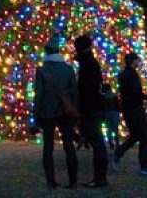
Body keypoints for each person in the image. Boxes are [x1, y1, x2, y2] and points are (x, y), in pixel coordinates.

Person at [32, 33, 78, 189]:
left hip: (47, 111)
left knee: (48, 147)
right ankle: (73, 179)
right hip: (66, 111)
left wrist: (36, 115)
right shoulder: (68, 69)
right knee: (69, 146)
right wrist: (75, 111)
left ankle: (51, 180)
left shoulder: (42, 70)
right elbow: (74, 92)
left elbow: (39, 94)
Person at [112, 53, 147, 175]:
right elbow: (135, 92)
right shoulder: (132, 75)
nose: (138, 62)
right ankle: (145, 166)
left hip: (128, 109)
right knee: (143, 137)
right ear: (133, 61)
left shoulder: (123, 74)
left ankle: (117, 154)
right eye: (137, 60)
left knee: (134, 136)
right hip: (135, 109)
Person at [74, 35, 108, 188]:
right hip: (94, 107)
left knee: (97, 142)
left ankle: (100, 178)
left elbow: (85, 89)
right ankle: (100, 177)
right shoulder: (91, 62)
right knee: (97, 142)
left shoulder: (88, 64)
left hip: (90, 108)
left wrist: (81, 109)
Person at [103, 83, 120, 150]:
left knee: (109, 129)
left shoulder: (104, 97)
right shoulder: (114, 96)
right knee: (115, 129)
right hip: (115, 113)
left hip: (107, 113)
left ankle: (111, 144)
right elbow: (117, 105)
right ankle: (117, 143)